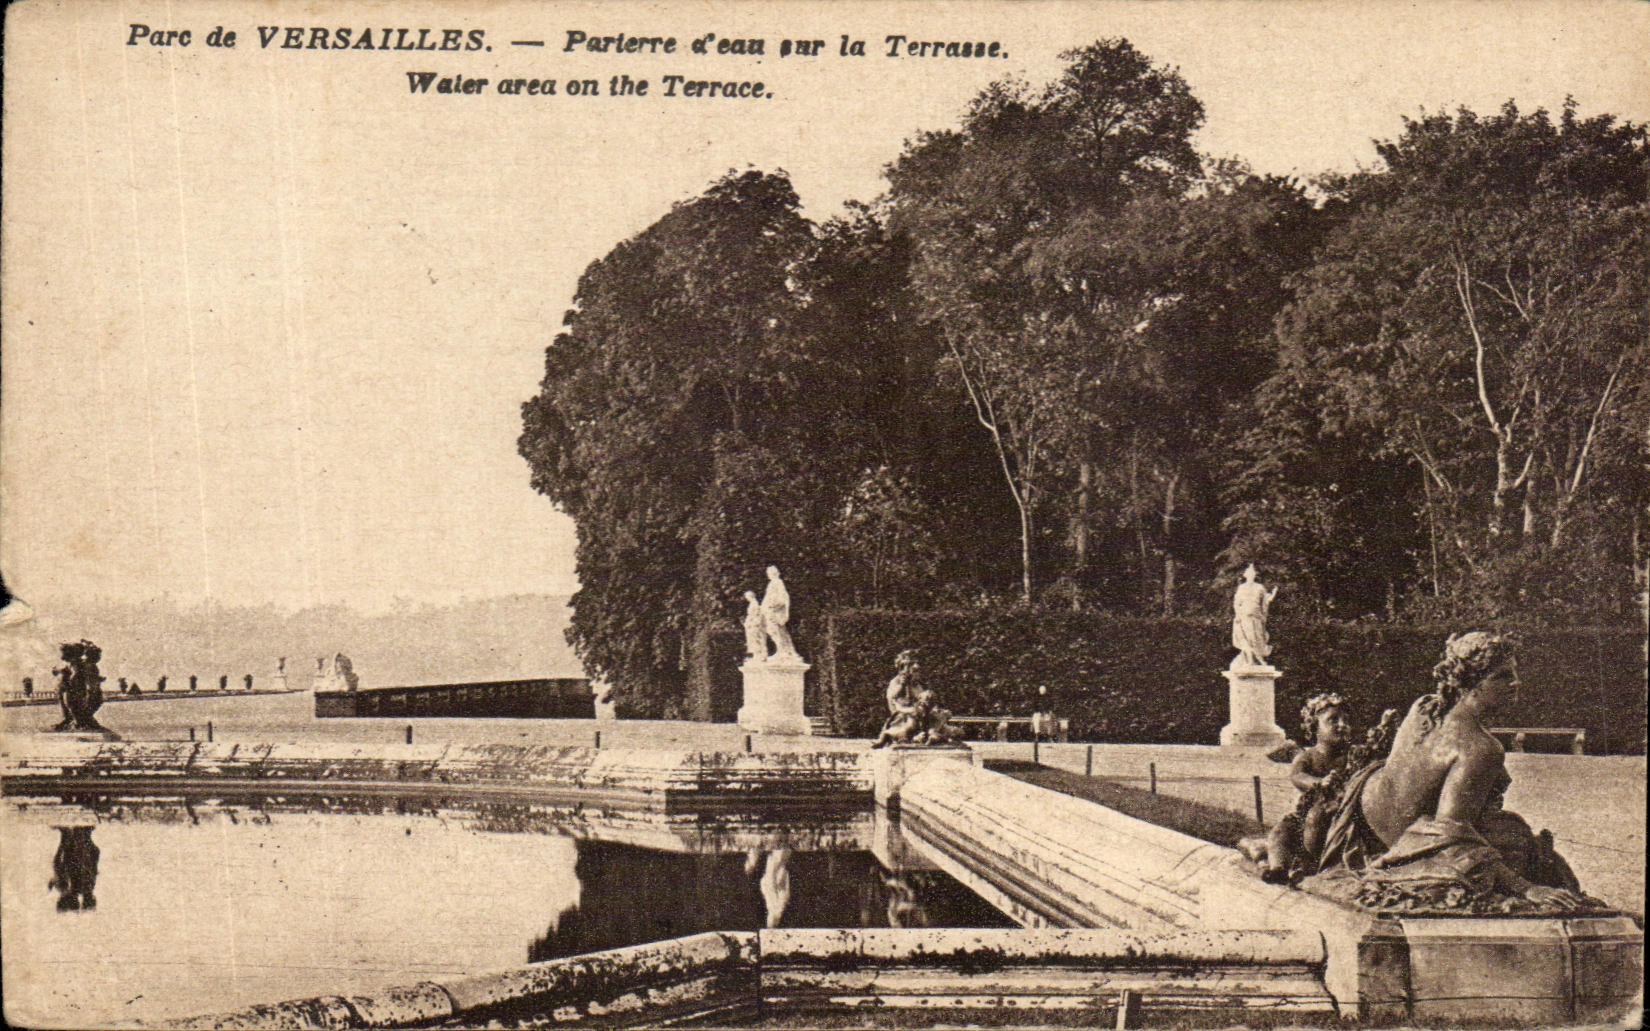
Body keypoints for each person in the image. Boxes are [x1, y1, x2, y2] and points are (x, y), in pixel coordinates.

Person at [1302, 632, 1587, 913]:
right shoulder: (1481, 747)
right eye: (1501, 676)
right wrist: (1525, 888)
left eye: (1513, 672)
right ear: (1471, 683)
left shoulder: (1425, 706)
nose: (1515, 682)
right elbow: (1448, 832)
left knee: (1510, 829)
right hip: (1401, 839)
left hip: (1362, 813)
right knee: (1523, 842)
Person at [1258, 693, 1352, 883]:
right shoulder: (1308, 756)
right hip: (1306, 813)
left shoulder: (1350, 756)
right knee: (1280, 833)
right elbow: (1297, 775)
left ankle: (1311, 862)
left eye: (1345, 720)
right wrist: (1319, 783)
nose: (1342, 725)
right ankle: (1278, 868)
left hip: (1341, 810)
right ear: (1315, 728)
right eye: (1333, 720)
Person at [1231, 564, 1279, 667]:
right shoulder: (1241, 588)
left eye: (1252, 573)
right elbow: (1236, 603)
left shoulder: (1259, 588)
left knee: (1256, 638)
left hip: (1256, 617)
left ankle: (1257, 659)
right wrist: (1238, 615)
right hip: (1244, 616)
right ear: (1245, 575)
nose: (1250, 575)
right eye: (1248, 573)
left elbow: (1264, 601)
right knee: (1246, 639)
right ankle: (1250, 660)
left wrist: (1272, 596)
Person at [760, 566, 799, 660]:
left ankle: (783, 651)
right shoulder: (773, 583)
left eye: (770, 573)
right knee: (776, 630)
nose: (768, 575)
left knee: (774, 630)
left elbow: (783, 598)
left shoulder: (777, 582)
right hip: (770, 610)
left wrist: (773, 606)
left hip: (774, 611)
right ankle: (785, 651)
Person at [742, 590, 767, 660]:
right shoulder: (753, 604)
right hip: (752, 624)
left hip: (754, 624)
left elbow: (755, 615)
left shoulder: (754, 604)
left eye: (747, 596)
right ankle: (757, 655)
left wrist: (750, 622)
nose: (746, 598)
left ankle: (759, 655)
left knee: (756, 639)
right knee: (753, 639)